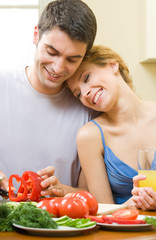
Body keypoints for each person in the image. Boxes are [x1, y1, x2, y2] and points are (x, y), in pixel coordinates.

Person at [0, 0, 97, 197]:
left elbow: (92, 193)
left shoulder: (88, 108)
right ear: (36, 35)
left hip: (56, 223)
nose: (58, 68)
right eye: (52, 52)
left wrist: (63, 190)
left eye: (72, 59)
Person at [66, 45, 156, 212]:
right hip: (128, 233)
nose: (85, 93)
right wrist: (127, 207)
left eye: (86, 78)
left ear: (112, 65)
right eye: (78, 93)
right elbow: (103, 211)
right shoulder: (90, 136)